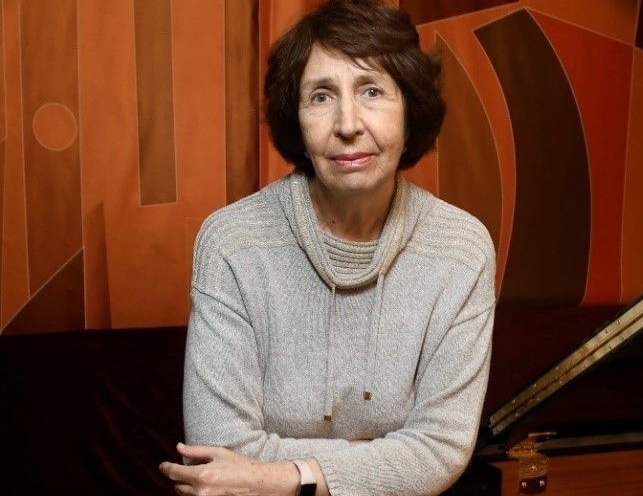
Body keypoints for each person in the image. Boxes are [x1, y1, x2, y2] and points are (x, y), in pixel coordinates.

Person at [158, 0, 497, 494]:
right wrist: (387, 460)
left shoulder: (461, 250)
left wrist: (284, 477)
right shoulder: (232, 243)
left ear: (410, 111)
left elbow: (440, 450)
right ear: (295, 121)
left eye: (372, 91)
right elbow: (220, 446)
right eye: (321, 96)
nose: (347, 124)